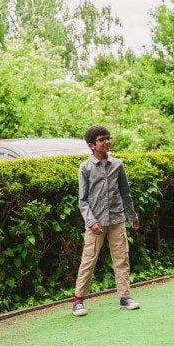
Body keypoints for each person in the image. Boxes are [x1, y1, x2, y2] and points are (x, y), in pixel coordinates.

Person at [72, 126, 141, 316]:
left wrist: (132, 216)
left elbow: (125, 193)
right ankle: (78, 300)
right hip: (95, 224)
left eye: (108, 138)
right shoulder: (85, 168)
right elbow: (83, 200)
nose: (107, 142)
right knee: (89, 259)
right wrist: (91, 221)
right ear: (91, 145)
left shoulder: (118, 164)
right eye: (102, 139)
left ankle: (125, 297)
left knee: (121, 258)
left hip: (117, 219)